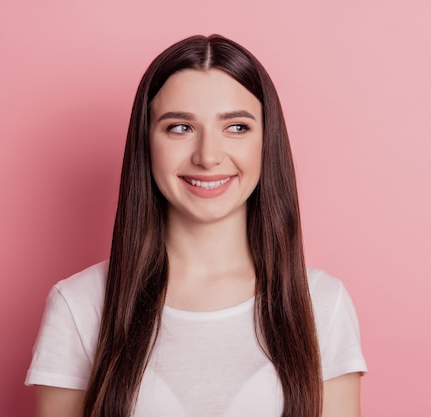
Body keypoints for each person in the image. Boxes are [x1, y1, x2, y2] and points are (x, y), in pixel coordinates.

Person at [25, 34, 367, 417]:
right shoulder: (79, 305)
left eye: (236, 127)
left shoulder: (322, 303)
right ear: (146, 142)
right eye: (180, 128)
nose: (208, 156)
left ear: (266, 143)